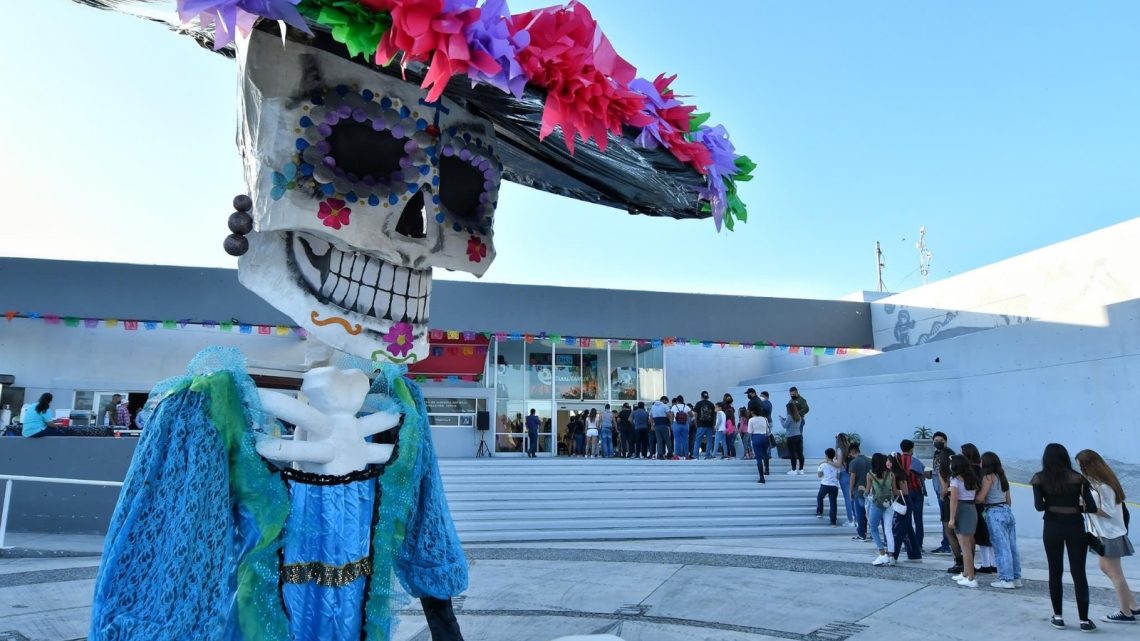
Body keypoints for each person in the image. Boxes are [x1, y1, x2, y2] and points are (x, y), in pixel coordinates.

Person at [1032, 443, 1099, 632]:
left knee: (1055, 572)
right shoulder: (1078, 478)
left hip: (1052, 527)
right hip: (1075, 528)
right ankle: (1084, 620)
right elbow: (1092, 508)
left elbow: (1039, 506)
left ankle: (1058, 617)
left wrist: (1052, 502)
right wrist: (1075, 507)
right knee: (1079, 573)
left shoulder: (1039, 478)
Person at [1075, 449, 1139, 623]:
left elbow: (1108, 511)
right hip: (1103, 534)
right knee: (1105, 569)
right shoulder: (1097, 483)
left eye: (1082, 467)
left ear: (1090, 466)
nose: (1081, 471)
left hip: (1111, 534)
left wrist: (1084, 507)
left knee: (1116, 573)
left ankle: (1125, 613)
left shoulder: (1104, 486)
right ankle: (1134, 606)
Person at [978, 451, 1021, 589]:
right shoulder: (1002, 476)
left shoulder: (988, 477)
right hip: (1007, 511)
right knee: (1012, 546)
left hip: (994, 511)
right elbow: (1009, 500)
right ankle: (1016, 577)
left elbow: (981, 498)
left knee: (1001, 547)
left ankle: (1006, 579)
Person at [929, 431, 962, 572]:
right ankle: (946, 544)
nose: (937, 442)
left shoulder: (949, 455)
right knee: (946, 522)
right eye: (935, 440)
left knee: (949, 523)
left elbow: (946, 475)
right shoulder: (936, 454)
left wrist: (944, 489)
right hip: (940, 489)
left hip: (947, 492)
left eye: (940, 440)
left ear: (945, 441)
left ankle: (957, 555)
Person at [948, 457, 980, 588]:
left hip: (962, 510)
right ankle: (966, 573)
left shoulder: (955, 480)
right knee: (966, 544)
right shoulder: (971, 478)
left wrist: (951, 518)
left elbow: (954, 500)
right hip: (971, 509)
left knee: (965, 547)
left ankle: (971, 578)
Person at [893, 440, 925, 561]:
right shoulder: (916, 461)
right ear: (912, 448)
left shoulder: (898, 460)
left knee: (905, 519)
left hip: (904, 493)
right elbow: (923, 475)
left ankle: (907, 545)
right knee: (918, 519)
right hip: (917, 491)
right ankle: (919, 544)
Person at [867, 453, 897, 566]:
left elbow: (868, 491)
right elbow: (894, 491)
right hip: (889, 504)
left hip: (877, 504)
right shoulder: (891, 474)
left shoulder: (870, 474)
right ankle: (891, 556)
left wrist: (862, 489)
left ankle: (882, 553)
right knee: (888, 530)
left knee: (873, 528)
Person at [848, 444, 872, 541]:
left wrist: (850, 491)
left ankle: (862, 534)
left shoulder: (854, 462)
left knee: (860, 514)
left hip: (858, 491)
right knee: (869, 514)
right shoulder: (870, 460)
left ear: (852, 452)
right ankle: (872, 533)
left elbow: (852, 478)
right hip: (870, 491)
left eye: (850, 454)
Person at [816, 448, 842, 526]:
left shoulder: (823, 464)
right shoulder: (837, 465)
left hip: (824, 485)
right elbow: (838, 477)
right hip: (834, 486)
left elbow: (819, 475)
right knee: (833, 503)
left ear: (826, 455)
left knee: (820, 497)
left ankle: (819, 512)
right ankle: (833, 522)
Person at [779, 402, 804, 474]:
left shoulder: (789, 416)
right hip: (799, 436)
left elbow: (785, 425)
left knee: (792, 453)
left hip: (791, 437)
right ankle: (801, 470)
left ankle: (794, 470)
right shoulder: (799, 416)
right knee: (800, 453)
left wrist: (781, 419)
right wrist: (785, 419)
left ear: (789, 409)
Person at [835, 433, 854, 527]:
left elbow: (838, 464)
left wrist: (829, 462)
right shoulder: (849, 448)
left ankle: (851, 520)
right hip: (851, 474)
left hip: (843, 475)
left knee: (848, 498)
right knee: (853, 497)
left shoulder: (839, 450)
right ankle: (857, 518)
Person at [692, 391, 717, 460]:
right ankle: (707, 456)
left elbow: (696, 414)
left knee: (698, 440)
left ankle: (696, 456)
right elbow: (714, 416)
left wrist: (695, 422)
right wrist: (713, 425)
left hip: (701, 425)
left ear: (701, 396)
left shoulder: (698, 404)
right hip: (709, 425)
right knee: (709, 441)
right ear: (707, 397)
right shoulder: (711, 404)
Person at [748, 410, 771, 483]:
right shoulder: (765, 419)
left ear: (753, 412)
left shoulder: (751, 420)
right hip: (764, 437)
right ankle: (767, 469)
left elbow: (750, 431)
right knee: (765, 453)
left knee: (758, 458)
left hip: (756, 437)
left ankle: (762, 477)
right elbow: (767, 430)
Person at [669, 395, 690, 460]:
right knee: (685, 440)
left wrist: (671, 424)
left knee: (677, 440)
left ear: (677, 401)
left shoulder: (674, 407)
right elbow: (691, 414)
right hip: (685, 424)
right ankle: (686, 456)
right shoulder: (686, 407)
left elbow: (672, 416)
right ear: (683, 400)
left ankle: (677, 456)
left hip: (676, 424)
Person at [757, 392, 773, 474]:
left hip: (768, 422)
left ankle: (768, 454)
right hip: (763, 422)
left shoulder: (767, 403)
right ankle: (766, 453)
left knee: (767, 438)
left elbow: (767, 410)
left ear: (766, 397)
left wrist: (761, 403)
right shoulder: (763, 403)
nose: (761, 397)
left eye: (762, 396)